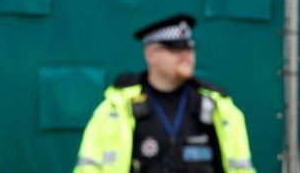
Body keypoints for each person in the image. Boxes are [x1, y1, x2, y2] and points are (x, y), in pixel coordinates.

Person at [75, 14, 254, 173]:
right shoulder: (116, 108)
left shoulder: (219, 106)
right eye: (176, 48)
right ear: (151, 54)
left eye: (190, 48)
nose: (186, 55)